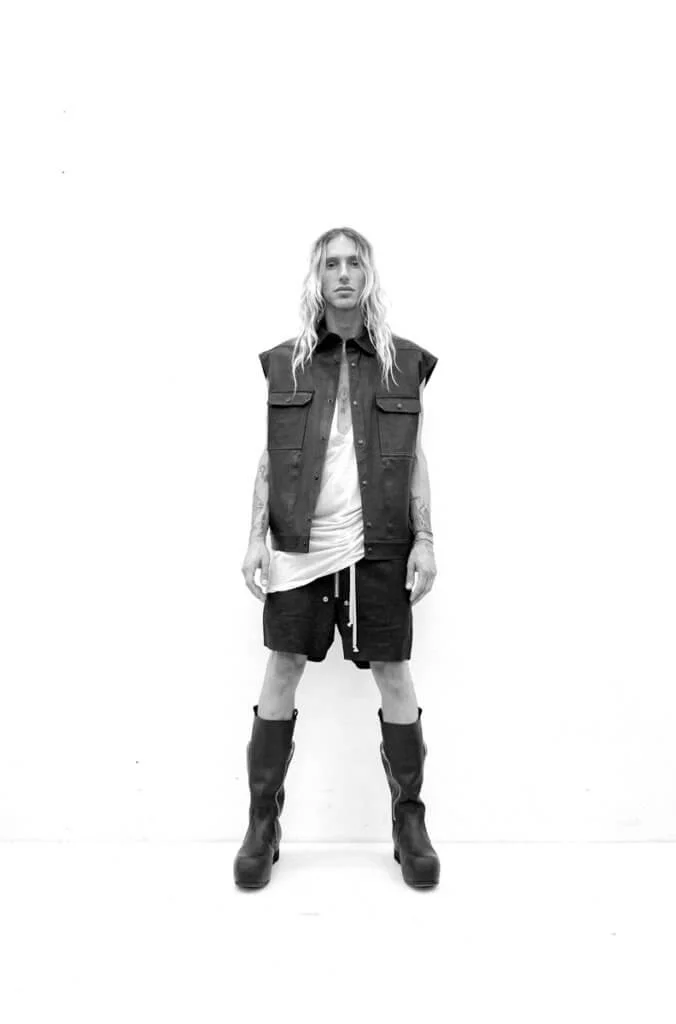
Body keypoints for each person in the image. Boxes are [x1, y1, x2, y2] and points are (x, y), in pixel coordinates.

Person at [235, 227, 439, 889]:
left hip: (380, 544)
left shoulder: (404, 363)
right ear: (317, 277)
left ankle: (409, 823)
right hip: (300, 543)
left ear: (368, 274)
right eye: (331, 264)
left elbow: (415, 457)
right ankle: (261, 823)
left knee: (394, 674)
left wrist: (426, 540)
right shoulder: (286, 364)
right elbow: (270, 458)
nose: (343, 274)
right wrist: (253, 538)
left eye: (354, 263)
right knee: (282, 668)